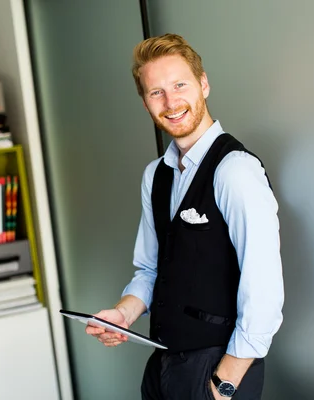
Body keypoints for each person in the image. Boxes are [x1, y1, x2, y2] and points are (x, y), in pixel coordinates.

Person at [85, 33, 284, 400]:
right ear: (145, 103)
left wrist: (222, 385)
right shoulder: (156, 176)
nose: (171, 101)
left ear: (203, 84)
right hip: (163, 365)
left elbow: (265, 290)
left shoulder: (235, 170)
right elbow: (150, 271)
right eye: (155, 92)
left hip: (219, 370)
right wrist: (122, 315)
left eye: (180, 85)